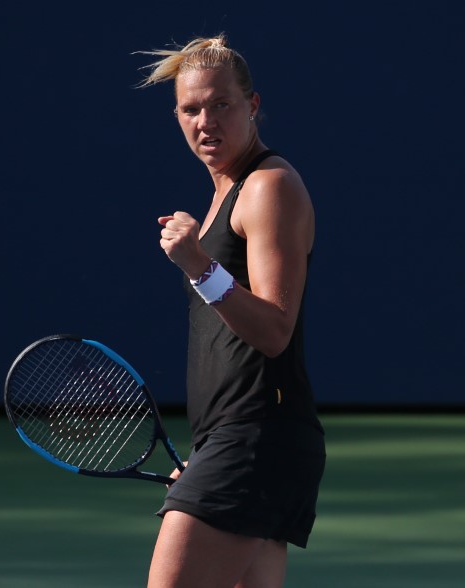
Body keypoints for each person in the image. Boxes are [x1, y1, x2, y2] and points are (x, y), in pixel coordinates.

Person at [137, 34, 326, 588]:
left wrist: (197, 264)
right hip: (240, 440)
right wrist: (207, 449)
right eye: (191, 109)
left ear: (253, 106)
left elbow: (273, 330)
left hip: (258, 441)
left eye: (221, 104)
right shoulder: (225, 195)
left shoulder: (269, 187)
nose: (205, 121)